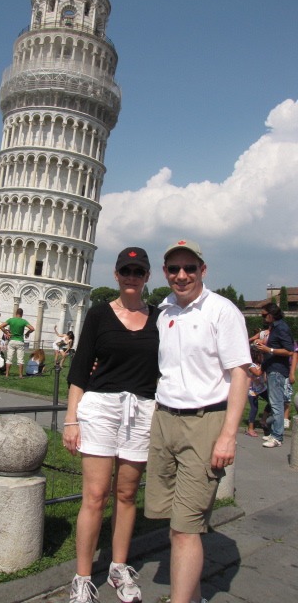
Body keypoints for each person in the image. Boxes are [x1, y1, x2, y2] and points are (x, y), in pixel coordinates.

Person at [144, 239, 251, 603]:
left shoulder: (222, 311)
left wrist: (228, 436)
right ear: (165, 273)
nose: (182, 275)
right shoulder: (164, 311)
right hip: (165, 420)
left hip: (205, 422)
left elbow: (240, 374)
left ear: (203, 270)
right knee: (172, 523)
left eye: (190, 267)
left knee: (185, 529)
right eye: (174, 269)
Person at [64, 247, 159, 603]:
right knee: (95, 495)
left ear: (148, 277)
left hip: (142, 410)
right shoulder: (99, 315)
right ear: (116, 275)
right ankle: (83, 576)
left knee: (128, 493)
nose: (132, 276)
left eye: (138, 271)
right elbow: (80, 369)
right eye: (126, 270)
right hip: (101, 407)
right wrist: (71, 420)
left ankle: (119, 567)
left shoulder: (159, 318)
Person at [255, 303, 295, 447]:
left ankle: (277, 436)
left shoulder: (281, 328)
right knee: (274, 403)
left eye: (264, 315)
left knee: (277, 404)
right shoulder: (275, 328)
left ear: (272, 315)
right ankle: (274, 433)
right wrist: (263, 343)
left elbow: (290, 350)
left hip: (278, 370)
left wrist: (268, 349)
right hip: (272, 368)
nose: (263, 318)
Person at [0, 308, 35, 378]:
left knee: (9, 359)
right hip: (20, 341)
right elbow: (32, 328)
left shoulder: (11, 320)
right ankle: (20, 375)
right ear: (22, 314)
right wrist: (27, 333)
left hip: (12, 340)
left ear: (16, 313)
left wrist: (6, 332)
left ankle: (7, 374)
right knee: (20, 359)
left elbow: (1, 326)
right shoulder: (23, 321)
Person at [246, 347, 267, 437]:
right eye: (260, 355)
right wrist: (265, 364)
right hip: (252, 390)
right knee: (254, 408)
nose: (261, 356)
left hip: (262, 388)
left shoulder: (260, 364)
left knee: (272, 401)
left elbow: (264, 377)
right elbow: (257, 373)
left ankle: (263, 419)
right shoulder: (250, 365)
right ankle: (250, 428)